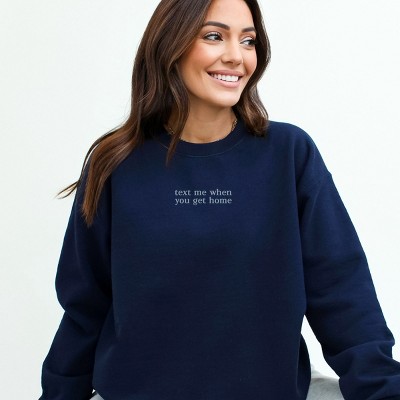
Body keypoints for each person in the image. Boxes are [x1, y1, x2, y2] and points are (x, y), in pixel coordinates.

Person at [39, 0, 400, 399]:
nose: (236, 56)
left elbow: (342, 294)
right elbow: (85, 309)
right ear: (170, 44)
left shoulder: (288, 154)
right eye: (214, 36)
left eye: (248, 41)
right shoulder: (115, 164)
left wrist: (383, 390)